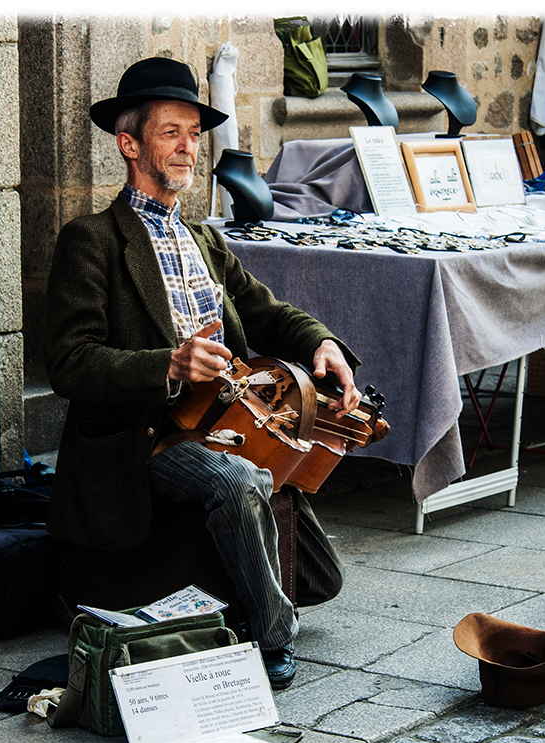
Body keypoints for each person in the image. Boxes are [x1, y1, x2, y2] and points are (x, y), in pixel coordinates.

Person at [42, 57, 362, 688]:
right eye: (171, 133)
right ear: (129, 144)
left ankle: (271, 584)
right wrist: (170, 363)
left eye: (195, 133)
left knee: (299, 452)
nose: (190, 147)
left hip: (220, 422)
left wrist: (323, 344)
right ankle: (274, 636)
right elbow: (69, 362)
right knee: (239, 474)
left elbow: (266, 310)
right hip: (146, 435)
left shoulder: (204, 239)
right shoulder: (93, 240)